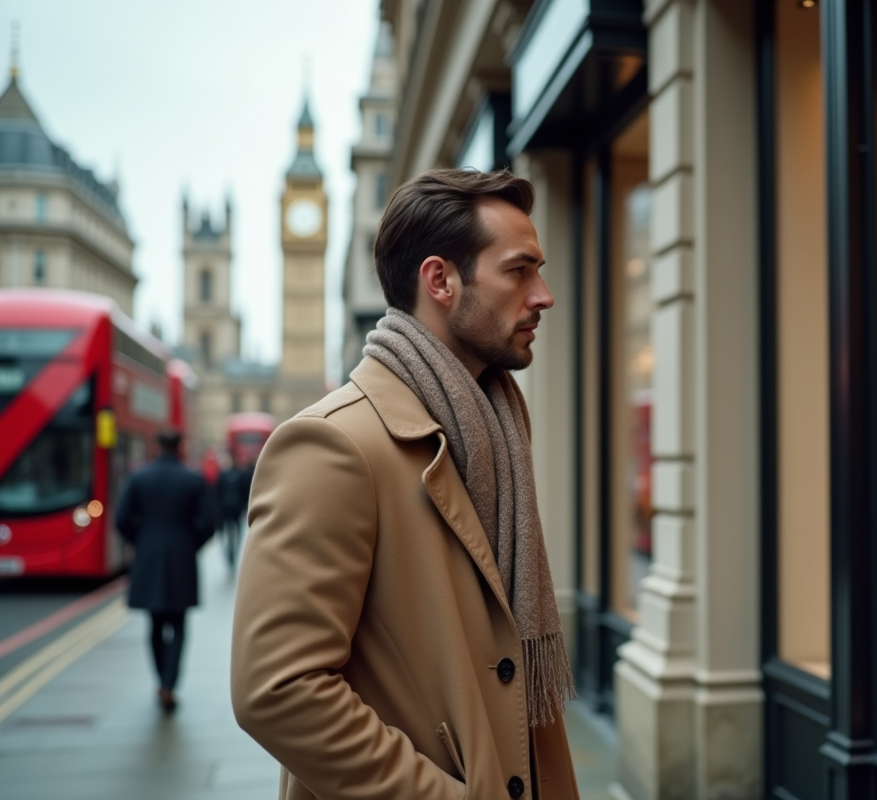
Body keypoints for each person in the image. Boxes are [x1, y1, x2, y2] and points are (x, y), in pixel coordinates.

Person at [231, 169, 579, 800]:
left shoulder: (497, 429)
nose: (544, 295)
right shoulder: (333, 446)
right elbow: (277, 689)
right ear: (440, 280)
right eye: (519, 271)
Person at [116, 429, 214, 712]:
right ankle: (170, 684)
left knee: (155, 623)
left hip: (148, 556)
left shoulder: (139, 477)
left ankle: (161, 681)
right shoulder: (193, 478)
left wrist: (141, 541)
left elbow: (121, 519)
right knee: (179, 624)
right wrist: (189, 544)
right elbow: (209, 523)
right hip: (182, 556)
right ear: (180, 447)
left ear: (157, 446)